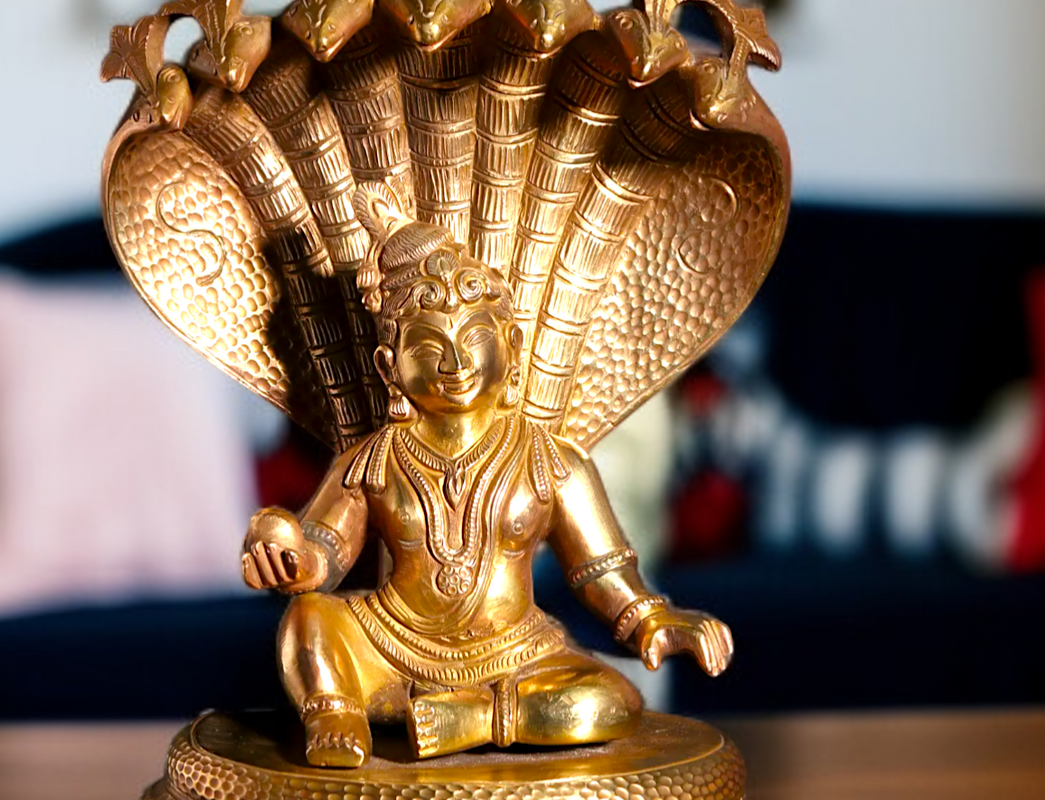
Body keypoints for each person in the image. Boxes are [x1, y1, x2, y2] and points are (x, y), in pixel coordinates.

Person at [241, 185, 733, 767]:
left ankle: (473, 717)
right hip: (393, 644)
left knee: (610, 700)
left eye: (475, 338)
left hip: (515, 651)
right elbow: (323, 553)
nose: (456, 364)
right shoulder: (372, 461)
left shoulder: (551, 461)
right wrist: (286, 552)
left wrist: (653, 619)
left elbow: (601, 572)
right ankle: (336, 713)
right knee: (307, 621)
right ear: (389, 366)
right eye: (429, 347)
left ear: (511, 344)